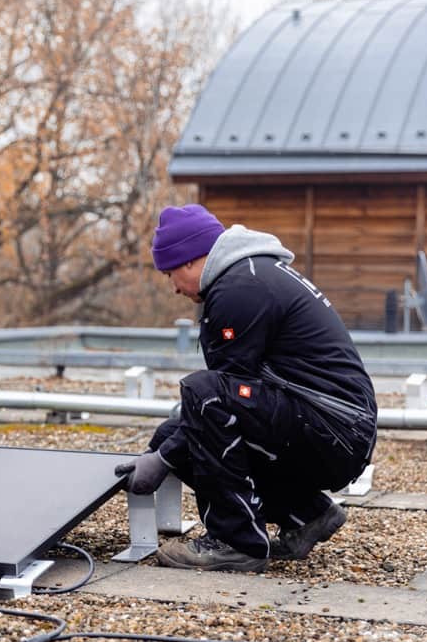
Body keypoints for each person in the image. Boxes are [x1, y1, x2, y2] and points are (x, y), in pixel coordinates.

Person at [116, 205, 377, 572]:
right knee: (175, 431)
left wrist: (161, 460)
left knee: (202, 398)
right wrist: (163, 449)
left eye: (171, 274)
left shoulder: (241, 288)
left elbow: (216, 395)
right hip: (328, 424)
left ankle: (236, 543)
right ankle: (308, 516)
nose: (174, 287)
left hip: (333, 429)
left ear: (191, 260)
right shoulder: (249, 275)